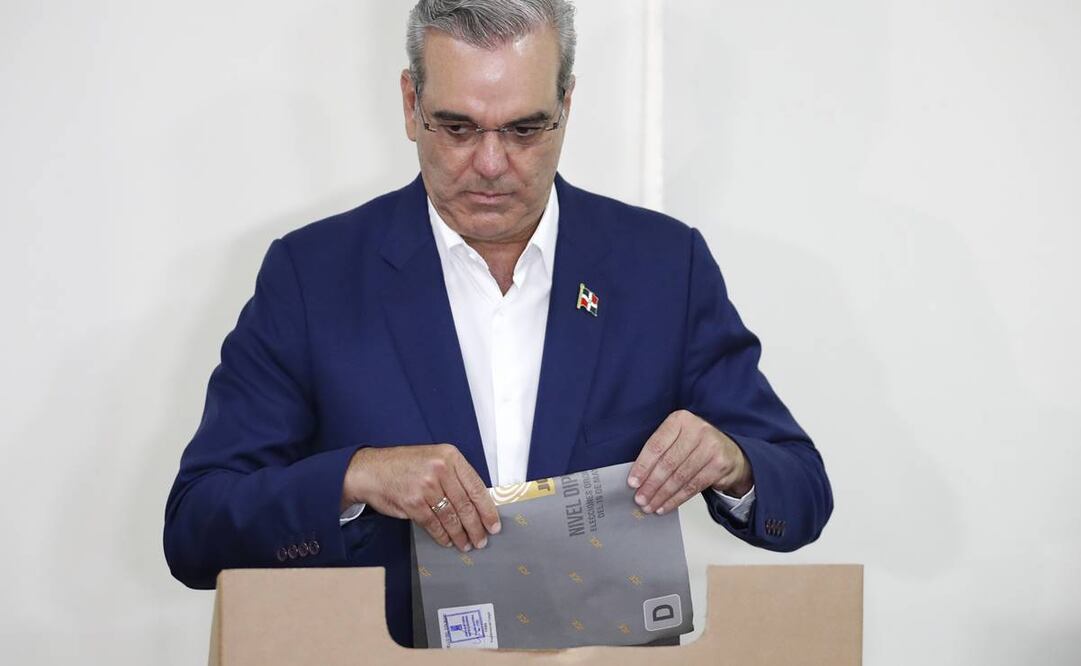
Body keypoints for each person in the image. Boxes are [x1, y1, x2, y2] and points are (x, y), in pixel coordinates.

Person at [164, 0, 832, 647]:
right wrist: (356, 477)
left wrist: (733, 462)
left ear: (566, 107)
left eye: (523, 129)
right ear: (409, 105)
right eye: (456, 128)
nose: (489, 164)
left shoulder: (662, 266)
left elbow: (800, 494)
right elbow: (197, 530)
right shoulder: (312, 276)